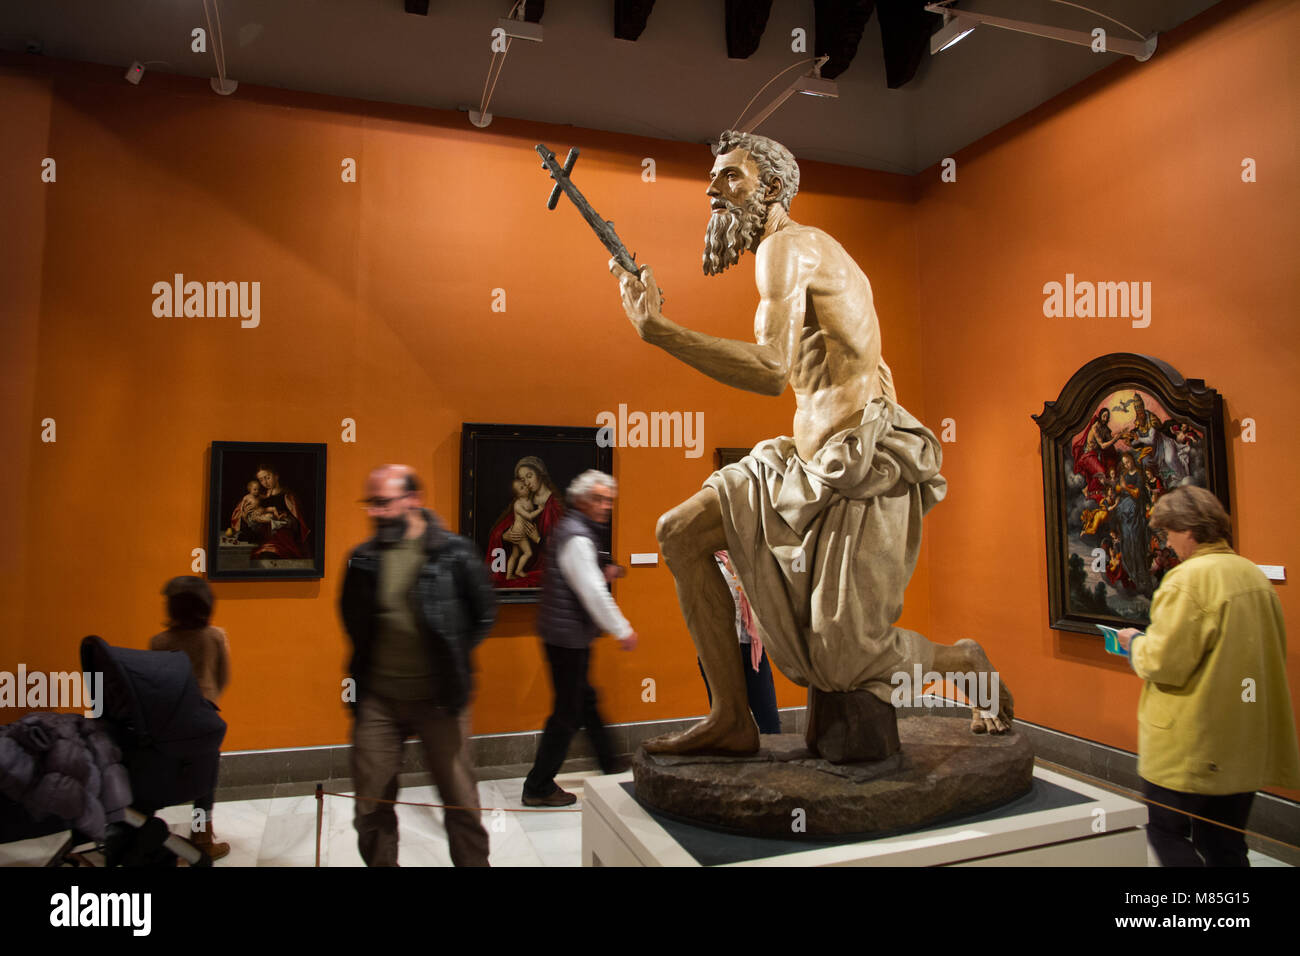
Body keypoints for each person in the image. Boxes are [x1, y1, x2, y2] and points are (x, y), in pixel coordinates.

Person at [610, 130, 1011, 755]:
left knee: (850, 660)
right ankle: (731, 718)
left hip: (855, 466)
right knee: (679, 533)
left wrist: (659, 331)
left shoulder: (788, 249)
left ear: (769, 187)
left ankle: (962, 662)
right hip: (801, 464)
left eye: (730, 177)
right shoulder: (799, 252)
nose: (714, 191)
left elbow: (772, 368)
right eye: (713, 178)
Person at [1117, 486, 1300, 866]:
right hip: (1244, 741)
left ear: (1188, 530)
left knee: (1166, 832)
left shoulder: (1188, 580)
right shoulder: (1252, 575)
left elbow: (1163, 662)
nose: (1167, 544)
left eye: (1168, 533)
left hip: (1191, 743)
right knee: (1226, 846)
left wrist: (1135, 643)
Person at [339, 464, 498, 866]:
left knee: (460, 802)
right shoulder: (362, 559)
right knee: (370, 805)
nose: (374, 513)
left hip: (440, 699)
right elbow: (353, 620)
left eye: (383, 503)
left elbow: (484, 613)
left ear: (413, 500)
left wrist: (451, 656)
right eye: (370, 504)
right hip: (378, 700)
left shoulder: (454, 553)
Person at [522, 470, 638, 807]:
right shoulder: (578, 538)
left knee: (585, 702)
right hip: (567, 639)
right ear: (582, 501)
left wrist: (605, 572)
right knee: (568, 714)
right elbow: (591, 592)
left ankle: (610, 766)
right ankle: (539, 785)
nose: (605, 506)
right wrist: (622, 629)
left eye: (608, 500)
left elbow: (581, 580)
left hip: (565, 635)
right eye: (599, 499)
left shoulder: (575, 530)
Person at [148, 575, 232, 861]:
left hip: (167, 721)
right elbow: (223, 678)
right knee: (205, 782)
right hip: (204, 720)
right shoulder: (215, 636)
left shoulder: (159, 641)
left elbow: (155, 682)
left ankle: (150, 836)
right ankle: (202, 835)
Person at [697, 551, 781, 734]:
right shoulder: (706, 557)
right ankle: (729, 761)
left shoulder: (749, 552)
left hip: (752, 648)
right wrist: (734, 571)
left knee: (769, 718)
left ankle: (773, 761)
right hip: (718, 651)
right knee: (726, 721)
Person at [487, 456, 564, 588]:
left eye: (529, 476)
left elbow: (562, 548)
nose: (527, 483)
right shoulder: (524, 500)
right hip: (526, 565)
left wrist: (538, 539)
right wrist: (505, 536)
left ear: (540, 473)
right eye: (523, 480)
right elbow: (500, 529)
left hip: (544, 570)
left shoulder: (555, 505)